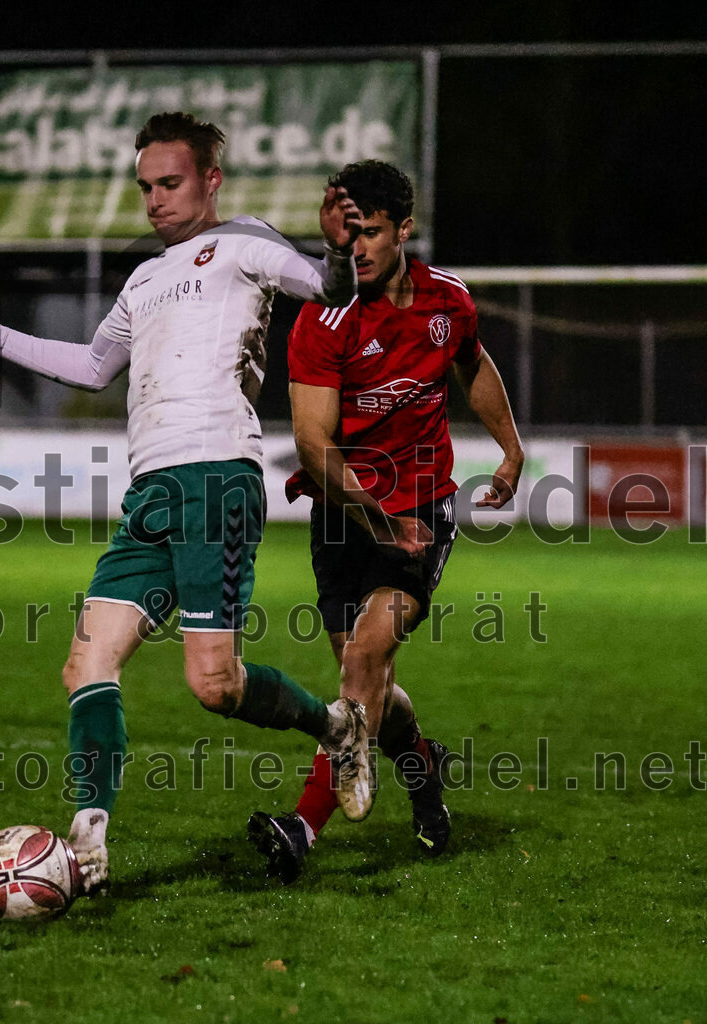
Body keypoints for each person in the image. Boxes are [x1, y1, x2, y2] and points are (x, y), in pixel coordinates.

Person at [0, 112, 373, 894]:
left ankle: (337, 728)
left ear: (210, 179)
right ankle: (89, 839)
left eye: (169, 183)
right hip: (150, 491)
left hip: (215, 478)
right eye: (143, 186)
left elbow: (329, 290)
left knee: (215, 687)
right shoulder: (143, 278)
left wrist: (337, 247)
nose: (154, 200)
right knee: (83, 663)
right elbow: (95, 365)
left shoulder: (245, 243)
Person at [247, 159, 524, 883]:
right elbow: (313, 442)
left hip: (421, 507)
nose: (356, 251)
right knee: (364, 681)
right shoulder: (324, 318)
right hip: (345, 514)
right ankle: (421, 765)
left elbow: (472, 362)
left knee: (364, 660)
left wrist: (509, 448)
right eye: (344, 239)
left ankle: (302, 825)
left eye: (368, 234)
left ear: (404, 229)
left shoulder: (446, 301)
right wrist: (375, 521)